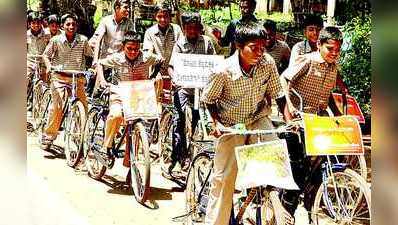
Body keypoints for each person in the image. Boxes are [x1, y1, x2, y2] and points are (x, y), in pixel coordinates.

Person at [202, 21, 293, 225]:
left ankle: (266, 202)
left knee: (275, 162)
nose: (260, 52)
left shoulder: (267, 63)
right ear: (238, 46)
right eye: (254, 48)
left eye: (263, 47)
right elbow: (208, 101)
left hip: (258, 118)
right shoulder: (223, 70)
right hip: (231, 124)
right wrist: (215, 123)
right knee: (224, 180)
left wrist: (289, 121)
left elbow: (278, 94)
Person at [279, 26, 348, 223]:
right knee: (297, 171)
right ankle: (285, 215)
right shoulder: (307, 60)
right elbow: (284, 79)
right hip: (297, 120)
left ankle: (312, 211)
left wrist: (338, 116)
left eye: (337, 50)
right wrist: (290, 105)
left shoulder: (333, 67)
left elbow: (328, 97)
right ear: (319, 45)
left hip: (317, 121)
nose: (334, 53)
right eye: (330, 49)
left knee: (319, 171)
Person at [95, 31, 163, 162]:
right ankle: (106, 146)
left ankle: (131, 166)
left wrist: (152, 77)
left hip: (139, 95)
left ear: (140, 47)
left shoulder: (147, 57)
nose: (133, 52)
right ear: (123, 47)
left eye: (136, 49)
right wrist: (102, 80)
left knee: (136, 127)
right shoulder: (117, 58)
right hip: (120, 92)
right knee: (116, 115)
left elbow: (161, 60)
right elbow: (100, 63)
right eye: (129, 49)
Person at [167, 12, 215, 175]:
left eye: (195, 28)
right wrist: (174, 78)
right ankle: (178, 158)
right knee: (179, 120)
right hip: (183, 88)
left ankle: (188, 154)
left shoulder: (207, 42)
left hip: (201, 89)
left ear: (200, 28)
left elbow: (214, 64)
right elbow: (171, 67)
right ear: (184, 29)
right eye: (189, 29)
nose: (192, 32)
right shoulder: (180, 44)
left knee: (197, 121)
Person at [41, 13, 94, 150]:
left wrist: (93, 67)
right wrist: (48, 67)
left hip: (78, 78)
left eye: (73, 24)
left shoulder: (83, 40)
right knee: (58, 107)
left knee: (83, 107)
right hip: (59, 77)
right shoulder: (56, 40)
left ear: (77, 26)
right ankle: (49, 135)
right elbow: (46, 56)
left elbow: (91, 56)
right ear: (62, 26)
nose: (71, 27)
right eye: (68, 24)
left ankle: (80, 136)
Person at [142, 2, 183, 101]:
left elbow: (181, 49)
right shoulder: (150, 32)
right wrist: (157, 59)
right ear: (155, 16)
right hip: (157, 70)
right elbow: (147, 53)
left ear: (170, 16)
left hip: (174, 69)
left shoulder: (176, 30)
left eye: (165, 16)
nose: (163, 20)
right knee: (158, 98)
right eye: (159, 16)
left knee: (175, 98)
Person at [89, 0, 134, 64]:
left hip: (120, 60)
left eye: (129, 7)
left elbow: (131, 42)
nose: (128, 10)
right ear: (117, 8)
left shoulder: (129, 24)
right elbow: (97, 40)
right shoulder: (105, 21)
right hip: (105, 59)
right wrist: (95, 60)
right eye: (125, 7)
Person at [27, 11, 51, 89]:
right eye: (33, 23)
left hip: (43, 62)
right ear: (29, 24)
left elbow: (50, 47)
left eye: (38, 23)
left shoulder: (47, 34)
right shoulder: (26, 35)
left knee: (46, 83)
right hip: (30, 62)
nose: (36, 25)